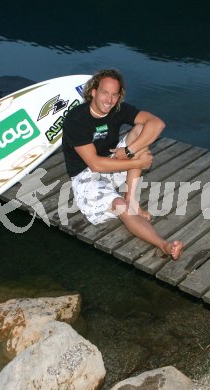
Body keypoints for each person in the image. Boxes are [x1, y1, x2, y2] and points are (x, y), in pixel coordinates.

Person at [62, 69, 183, 260]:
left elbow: (157, 124)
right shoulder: (76, 120)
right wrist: (137, 162)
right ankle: (164, 245)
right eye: (104, 92)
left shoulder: (117, 109)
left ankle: (132, 198)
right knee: (121, 206)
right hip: (86, 177)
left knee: (142, 129)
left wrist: (128, 152)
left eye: (114, 95)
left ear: (119, 96)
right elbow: (95, 165)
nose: (108, 100)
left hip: (112, 160)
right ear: (93, 91)